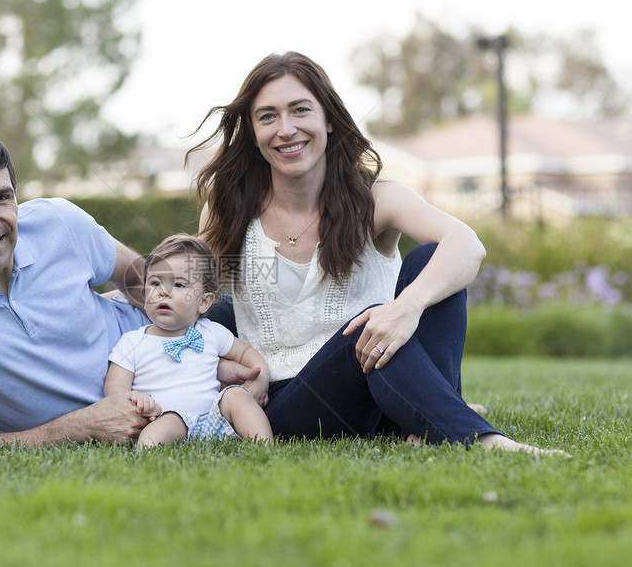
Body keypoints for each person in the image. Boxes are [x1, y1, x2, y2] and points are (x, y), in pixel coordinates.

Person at [191, 51, 564, 455]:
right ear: (251, 130)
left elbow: (467, 245)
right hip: (287, 406)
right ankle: (480, 439)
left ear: (329, 119)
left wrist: (406, 307)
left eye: (300, 110)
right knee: (361, 331)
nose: (286, 129)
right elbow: (184, 290)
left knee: (429, 261)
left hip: (378, 378)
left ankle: (428, 420)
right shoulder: (228, 208)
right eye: (267, 116)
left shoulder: (374, 198)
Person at [0, 128, 259, 448]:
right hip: (165, 416)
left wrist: (196, 353)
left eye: (1, 198)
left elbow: (141, 282)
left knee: (298, 349)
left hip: (191, 339)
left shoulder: (57, 222)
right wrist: (79, 428)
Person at [104, 234, 273, 449]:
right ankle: (149, 459)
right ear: (144, 294)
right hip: (165, 418)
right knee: (156, 433)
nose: (163, 292)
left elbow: (246, 352)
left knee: (236, 397)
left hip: (214, 416)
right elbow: (114, 387)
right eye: (155, 283)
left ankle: (264, 447)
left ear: (203, 302)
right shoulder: (133, 341)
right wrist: (134, 398)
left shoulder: (210, 332)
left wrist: (260, 377)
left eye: (179, 285)